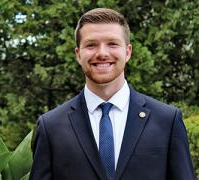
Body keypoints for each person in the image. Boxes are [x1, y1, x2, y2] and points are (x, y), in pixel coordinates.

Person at [29, 8, 195, 180]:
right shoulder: (51, 126)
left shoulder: (167, 121)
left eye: (112, 44)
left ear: (128, 52)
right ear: (78, 54)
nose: (102, 53)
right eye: (91, 45)